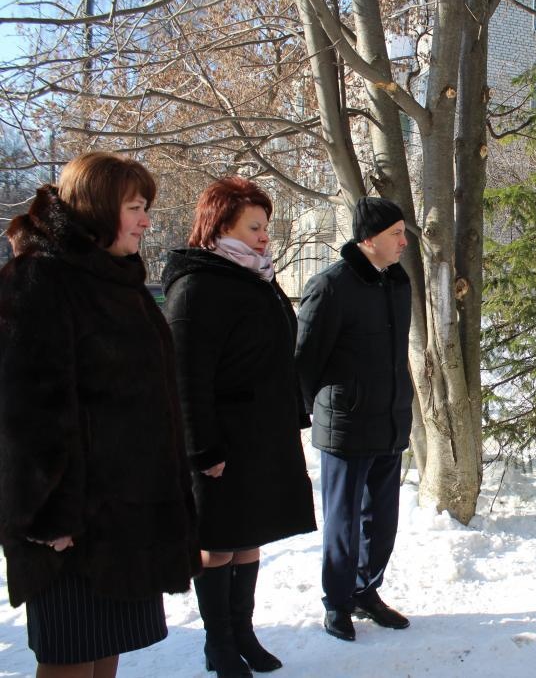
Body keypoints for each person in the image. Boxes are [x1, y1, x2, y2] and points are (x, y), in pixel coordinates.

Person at [0, 152, 201, 678]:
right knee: (70, 658)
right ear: (97, 208)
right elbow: (25, 412)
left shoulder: (118, 280)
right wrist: (46, 516)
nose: (146, 221)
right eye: (135, 207)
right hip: (72, 527)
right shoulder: (41, 279)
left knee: (105, 649)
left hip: (127, 520)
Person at [162, 177, 317, 677]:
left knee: (250, 535)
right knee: (217, 543)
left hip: (260, 437)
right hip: (221, 443)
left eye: (265, 226)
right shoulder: (197, 286)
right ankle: (219, 642)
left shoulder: (257, 278)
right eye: (253, 226)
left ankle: (243, 632)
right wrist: (203, 449)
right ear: (219, 225)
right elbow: (185, 377)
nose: (264, 236)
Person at [295, 196, 413, 641]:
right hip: (345, 426)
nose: (404, 241)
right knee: (343, 524)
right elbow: (305, 359)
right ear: (368, 239)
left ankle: (366, 591)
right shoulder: (331, 286)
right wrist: (316, 412)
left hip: (389, 421)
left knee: (382, 522)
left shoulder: (397, 283)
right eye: (395, 234)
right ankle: (338, 602)